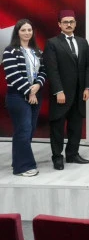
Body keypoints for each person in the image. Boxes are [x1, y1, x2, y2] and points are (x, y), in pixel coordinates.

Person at [44, 9, 89, 170]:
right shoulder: (52, 43)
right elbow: (52, 69)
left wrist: (87, 87)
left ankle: (72, 154)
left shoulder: (82, 42)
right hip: (61, 94)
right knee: (57, 127)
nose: (69, 24)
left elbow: (88, 67)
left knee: (76, 126)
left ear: (75, 24)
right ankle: (57, 157)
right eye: (65, 22)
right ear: (59, 24)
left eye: (71, 22)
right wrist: (58, 91)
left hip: (80, 94)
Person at [2, 19, 47, 177]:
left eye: (29, 30)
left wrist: (38, 85)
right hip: (17, 96)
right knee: (24, 129)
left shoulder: (37, 51)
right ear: (17, 32)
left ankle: (18, 161)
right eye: (23, 30)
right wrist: (30, 92)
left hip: (35, 94)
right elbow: (13, 75)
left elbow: (43, 71)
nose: (27, 33)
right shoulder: (10, 51)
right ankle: (23, 167)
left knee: (29, 129)